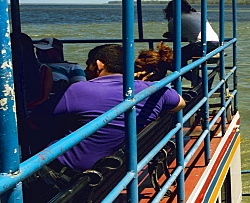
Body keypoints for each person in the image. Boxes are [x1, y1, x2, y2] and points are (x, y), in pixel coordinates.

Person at [51, 44, 185, 173]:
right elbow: (181, 104)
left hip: (73, 174)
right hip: (121, 169)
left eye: (88, 64)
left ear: (99, 64)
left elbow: (35, 124)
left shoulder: (77, 90)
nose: (86, 70)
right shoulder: (155, 92)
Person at [163, 0, 219, 66]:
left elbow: (174, 36)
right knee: (179, 56)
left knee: (171, 59)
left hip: (202, 45)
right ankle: (190, 74)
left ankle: (190, 76)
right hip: (216, 43)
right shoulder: (199, 14)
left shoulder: (175, 20)